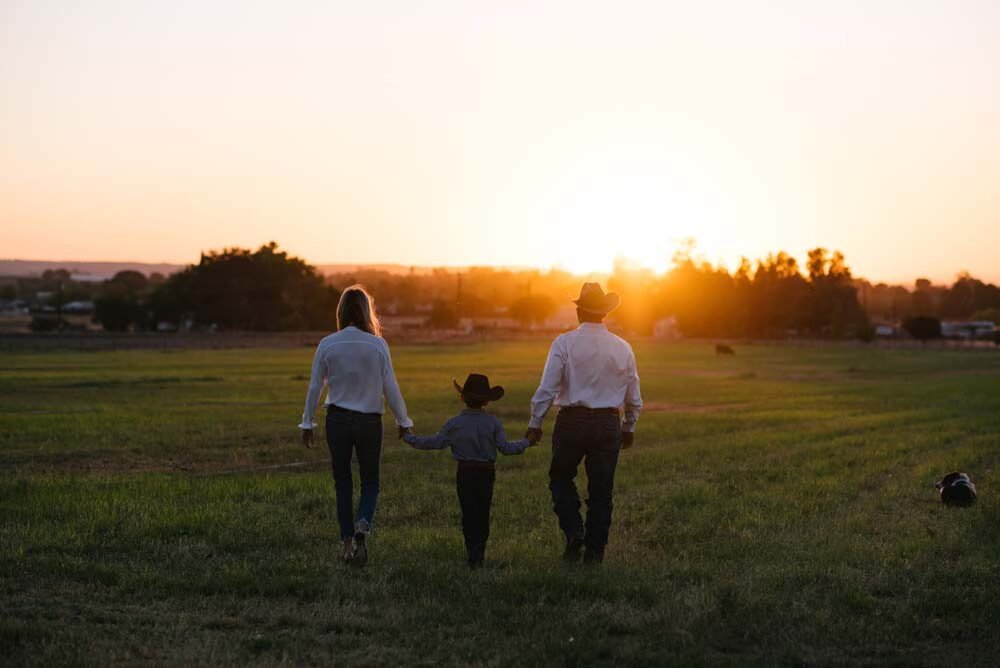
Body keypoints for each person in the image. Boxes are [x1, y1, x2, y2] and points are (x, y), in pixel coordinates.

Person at [526, 283, 643, 564]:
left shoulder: (564, 343)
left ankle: (573, 530)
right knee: (601, 491)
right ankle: (594, 553)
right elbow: (633, 394)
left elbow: (548, 388)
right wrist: (629, 427)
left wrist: (536, 421)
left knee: (561, 478)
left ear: (578, 310)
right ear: (604, 312)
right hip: (607, 424)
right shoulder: (623, 347)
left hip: (572, 422)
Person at [299, 285, 413, 567]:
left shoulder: (328, 343)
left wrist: (307, 422)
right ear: (366, 312)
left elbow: (315, 385)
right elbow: (390, 386)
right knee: (370, 481)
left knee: (343, 484)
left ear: (340, 312)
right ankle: (363, 523)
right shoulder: (377, 345)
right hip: (369, 422)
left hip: (336, 419)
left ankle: (347, 542)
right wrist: (403, 421)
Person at [403, 373, 539, 568]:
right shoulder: (493, 423)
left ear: (462, 398)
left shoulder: (454, 423)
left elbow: (434, 442)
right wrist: (528, 441)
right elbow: (506, 449)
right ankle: (479, 553)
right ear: (487, 401)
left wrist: (409, 437)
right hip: (486, 473)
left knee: (468, 513)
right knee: (482, 513)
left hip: (464, 473)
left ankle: (471, 552)